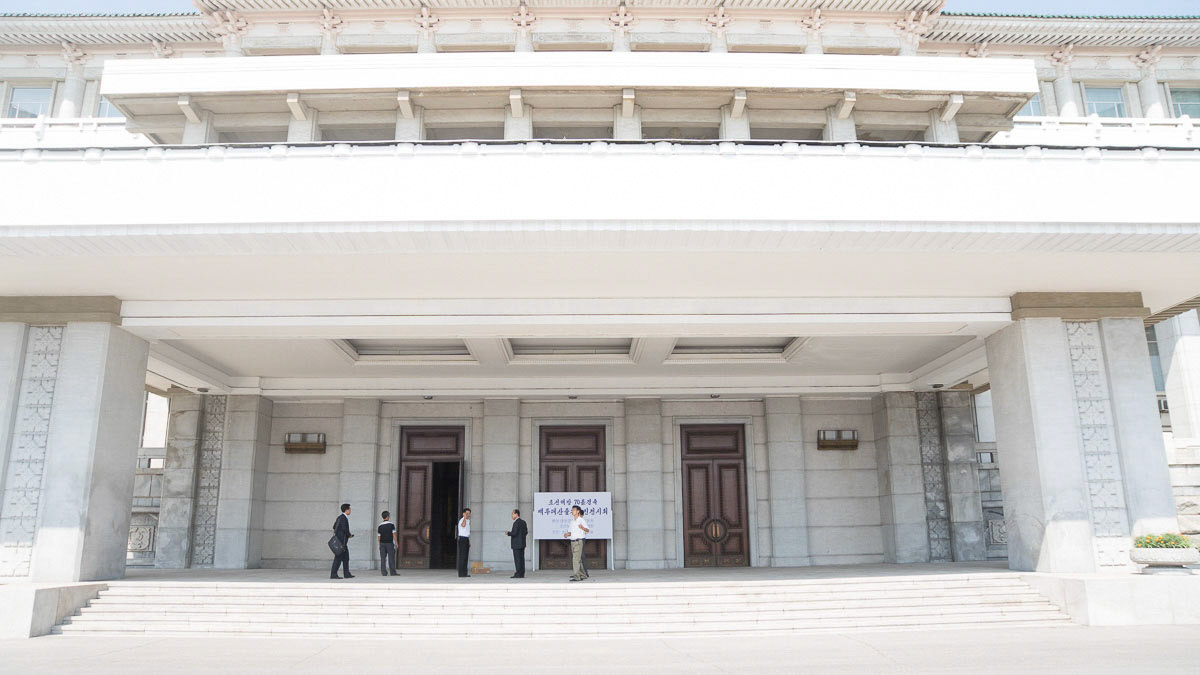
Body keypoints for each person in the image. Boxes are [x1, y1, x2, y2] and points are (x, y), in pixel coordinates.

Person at [562, 504, 590, 582]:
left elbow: (587, 530)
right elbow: (570, 532)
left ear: (578, 511)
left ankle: (577, 576)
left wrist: (582, 527)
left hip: (579, 541)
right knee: (578, 559)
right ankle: (583, 574)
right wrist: (567, 534)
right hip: (572, 542)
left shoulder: (581, 520)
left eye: (573, 510)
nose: (572, 511)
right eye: (572, 510)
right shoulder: (572, 522)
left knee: (575, 559)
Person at [330, 503, 354, 580]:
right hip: (341, 542)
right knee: (338, 558)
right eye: (349, 509)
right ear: (346, 510)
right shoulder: (343, 518)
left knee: (346, 557)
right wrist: (349, 534)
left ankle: (346, 573)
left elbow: (334, 526)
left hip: (341, 541)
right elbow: (344, 529)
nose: (350, 510)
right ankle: (333, 574)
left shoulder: (339, 517)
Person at [505, 509, 528, 579]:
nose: (512, 516)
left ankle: (518, 573)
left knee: (517, 559)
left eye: (512, 514)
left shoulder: (516, 523)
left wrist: (508, 533)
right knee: (521, 559)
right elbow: (526, 532)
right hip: (522, 544)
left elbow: (514, 533)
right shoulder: (523, 522)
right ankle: (522, 573)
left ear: (516, 514)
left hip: (516, 544)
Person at [378, 510, 398, 577]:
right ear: (388, 516)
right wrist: (396, 542)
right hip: (389, 543)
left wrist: (379, 545)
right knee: (391, 558)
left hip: (382, 544)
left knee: (383, 558)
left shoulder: (380, 526)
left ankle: (384, 572)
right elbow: (394, 534)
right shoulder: (391, 525)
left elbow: (379, 536)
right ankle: (393, 572)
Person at [456, 507, 471, 578]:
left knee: (466, 557)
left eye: (469, 513)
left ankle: (465, 573)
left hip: (466, 539)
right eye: (467, 513)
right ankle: (461, 573)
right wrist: (464, 518)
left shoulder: (468, 521)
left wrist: (469, 541)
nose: (468, 515)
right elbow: (463, 525)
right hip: (462, 540)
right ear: (463, 514)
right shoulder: (462, 520)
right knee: (462, 557)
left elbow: (467, 532)